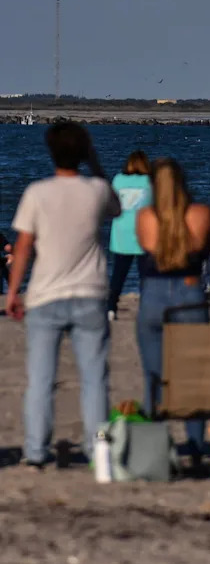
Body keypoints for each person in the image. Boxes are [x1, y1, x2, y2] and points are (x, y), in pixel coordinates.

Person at [5, 122, 121, 468]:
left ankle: (36, 451)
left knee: (41, 380)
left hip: (45, 296)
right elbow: (116, 207)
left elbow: (23, 247)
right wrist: (96, 164)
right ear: (83, 152)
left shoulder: (38, 193)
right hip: (90, 294)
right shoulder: (97, 190)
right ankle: (97, 449)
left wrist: (13, 290)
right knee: (94, 380)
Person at [135, 158, 210, 464]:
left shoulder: (145, 217)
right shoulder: (201, 214)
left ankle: (153, 450)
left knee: (153, 377)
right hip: (190, 292)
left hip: (153, 295)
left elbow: (146, 251)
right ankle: (194, 445)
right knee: (193, 377)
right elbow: (207, 251)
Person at [107, 150, 152, 321]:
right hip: (143, 232)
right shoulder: (149, 182)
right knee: (145, 275)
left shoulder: (118, 179)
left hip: (121, 232)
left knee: (118, 274)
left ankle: (111, 307)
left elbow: (111, 203)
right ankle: (147, 308)